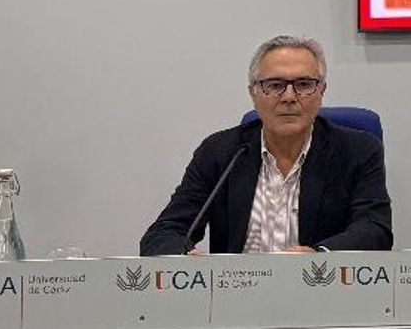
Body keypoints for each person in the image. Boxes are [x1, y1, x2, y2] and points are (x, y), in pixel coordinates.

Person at [139, 36, 392, 255]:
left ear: (321, 91)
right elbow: (163, 233)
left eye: (304, 85)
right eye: (275, 85)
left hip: (321, 288)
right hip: (237, 290)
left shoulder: (358, 150)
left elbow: (375, 230)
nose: (289, 97)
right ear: (253, 93)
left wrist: (319, 256)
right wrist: (185, 258)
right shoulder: (220, 152)